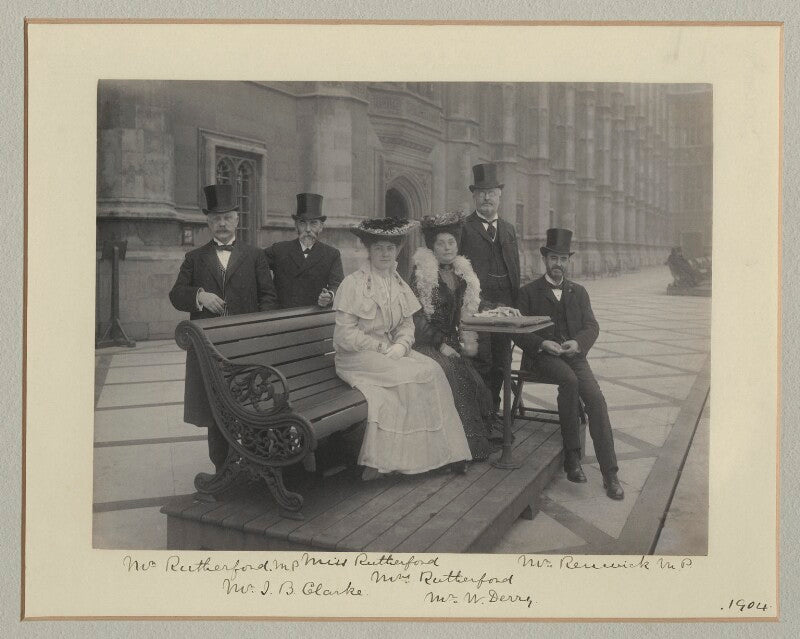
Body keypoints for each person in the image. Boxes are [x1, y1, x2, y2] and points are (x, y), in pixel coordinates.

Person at [332, 217, 472, 479]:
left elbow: (407, 325)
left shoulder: (397, 283)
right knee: (412, 377)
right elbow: (343, 336)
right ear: (369, 251)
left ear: (397, 251)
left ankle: (445, 453)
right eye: (378, 248)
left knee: (434, 371)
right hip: (356, 357)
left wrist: (401, 344)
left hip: (389, 352)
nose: (385, 254)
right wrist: (380, 345)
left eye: (390, 248)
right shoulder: (353, 284)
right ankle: (391, 460)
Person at [169, 183, 278, 471]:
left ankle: (255, 464)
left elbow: (268, 296)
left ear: (237, 220)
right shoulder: (194, 258)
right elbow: (176, 294)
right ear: (207, 222)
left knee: (250, 402)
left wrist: (257, 329)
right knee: (215, 407)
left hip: (246, 345)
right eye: (216, 218)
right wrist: (199, 296)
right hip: (209, 349)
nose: (222, 223)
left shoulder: (255, 255)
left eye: (227, 217)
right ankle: (222, 468)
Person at [513, 228, 624, 500]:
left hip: (574, 355)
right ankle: (572, 457)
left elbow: (592, 326)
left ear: (568, 261)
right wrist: (541, 343)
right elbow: (518, 331)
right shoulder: (528, 292)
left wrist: (578, 343)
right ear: (545, 260)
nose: (558, 265)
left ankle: (610, 473)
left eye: (563, 259)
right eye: (553, 259)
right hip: (542, 357)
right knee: (569, 381)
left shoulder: (579, 292)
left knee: (596, 399)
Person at [409, 211, 496, 460]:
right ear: (432, 247)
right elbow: (415, 319)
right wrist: (439, 343)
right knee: (456, 376)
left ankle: (477, 440)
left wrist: (489, 308)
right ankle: (459, 449)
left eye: (451, 243)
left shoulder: (462, 275)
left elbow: (470, 305)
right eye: (440, 243)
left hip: (452, 343)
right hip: (425, 343)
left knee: (477, 378)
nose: (447, 248)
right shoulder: (420, 275)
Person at [459, 163, 521, 414]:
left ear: (499, 196)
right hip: (478, 305)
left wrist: (517, 303)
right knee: (481, 361)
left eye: (491, 192)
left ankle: (494, 414)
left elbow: (516, 267)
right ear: (474, 196)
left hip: (505, 305)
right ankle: (482, 418)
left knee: (501, 361)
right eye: (482, 192)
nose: (487, 197)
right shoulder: (464, 228)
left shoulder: (508, 229)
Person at [265, 193, 344, 308]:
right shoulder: (279, 250)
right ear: (296, 226)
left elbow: (338, 285)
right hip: (282, 319)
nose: (308, 229)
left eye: (313, 223)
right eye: (303, 223)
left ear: (321, 227)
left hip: (313, 318)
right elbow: (255, 264)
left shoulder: (332, 254)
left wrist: (329, 296)